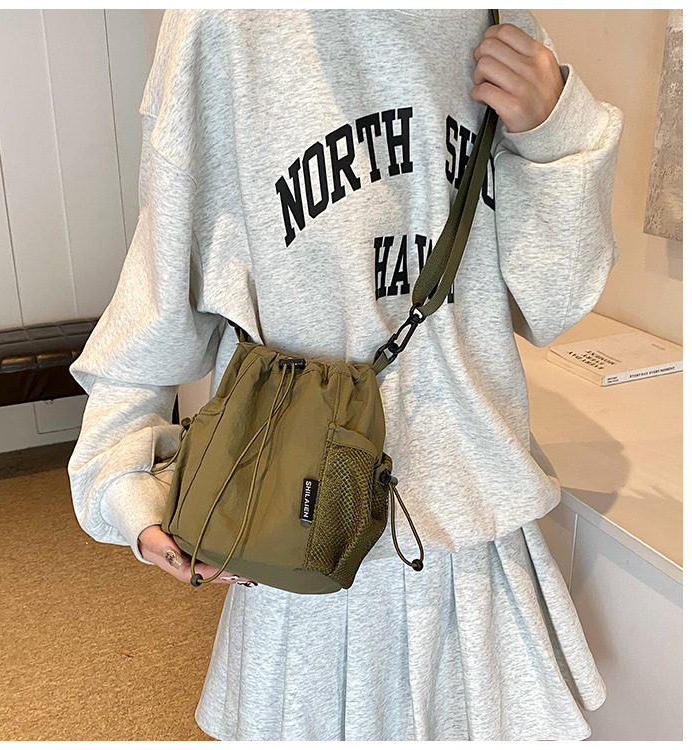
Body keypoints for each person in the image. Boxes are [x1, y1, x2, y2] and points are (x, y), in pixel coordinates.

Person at [68, 9, 623, 741]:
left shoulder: (492, 18)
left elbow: (552, 299)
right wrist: (117, 470)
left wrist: (556, 130)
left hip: (470, 546)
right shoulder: (220, 25)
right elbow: (162, 272)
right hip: (300, 536)